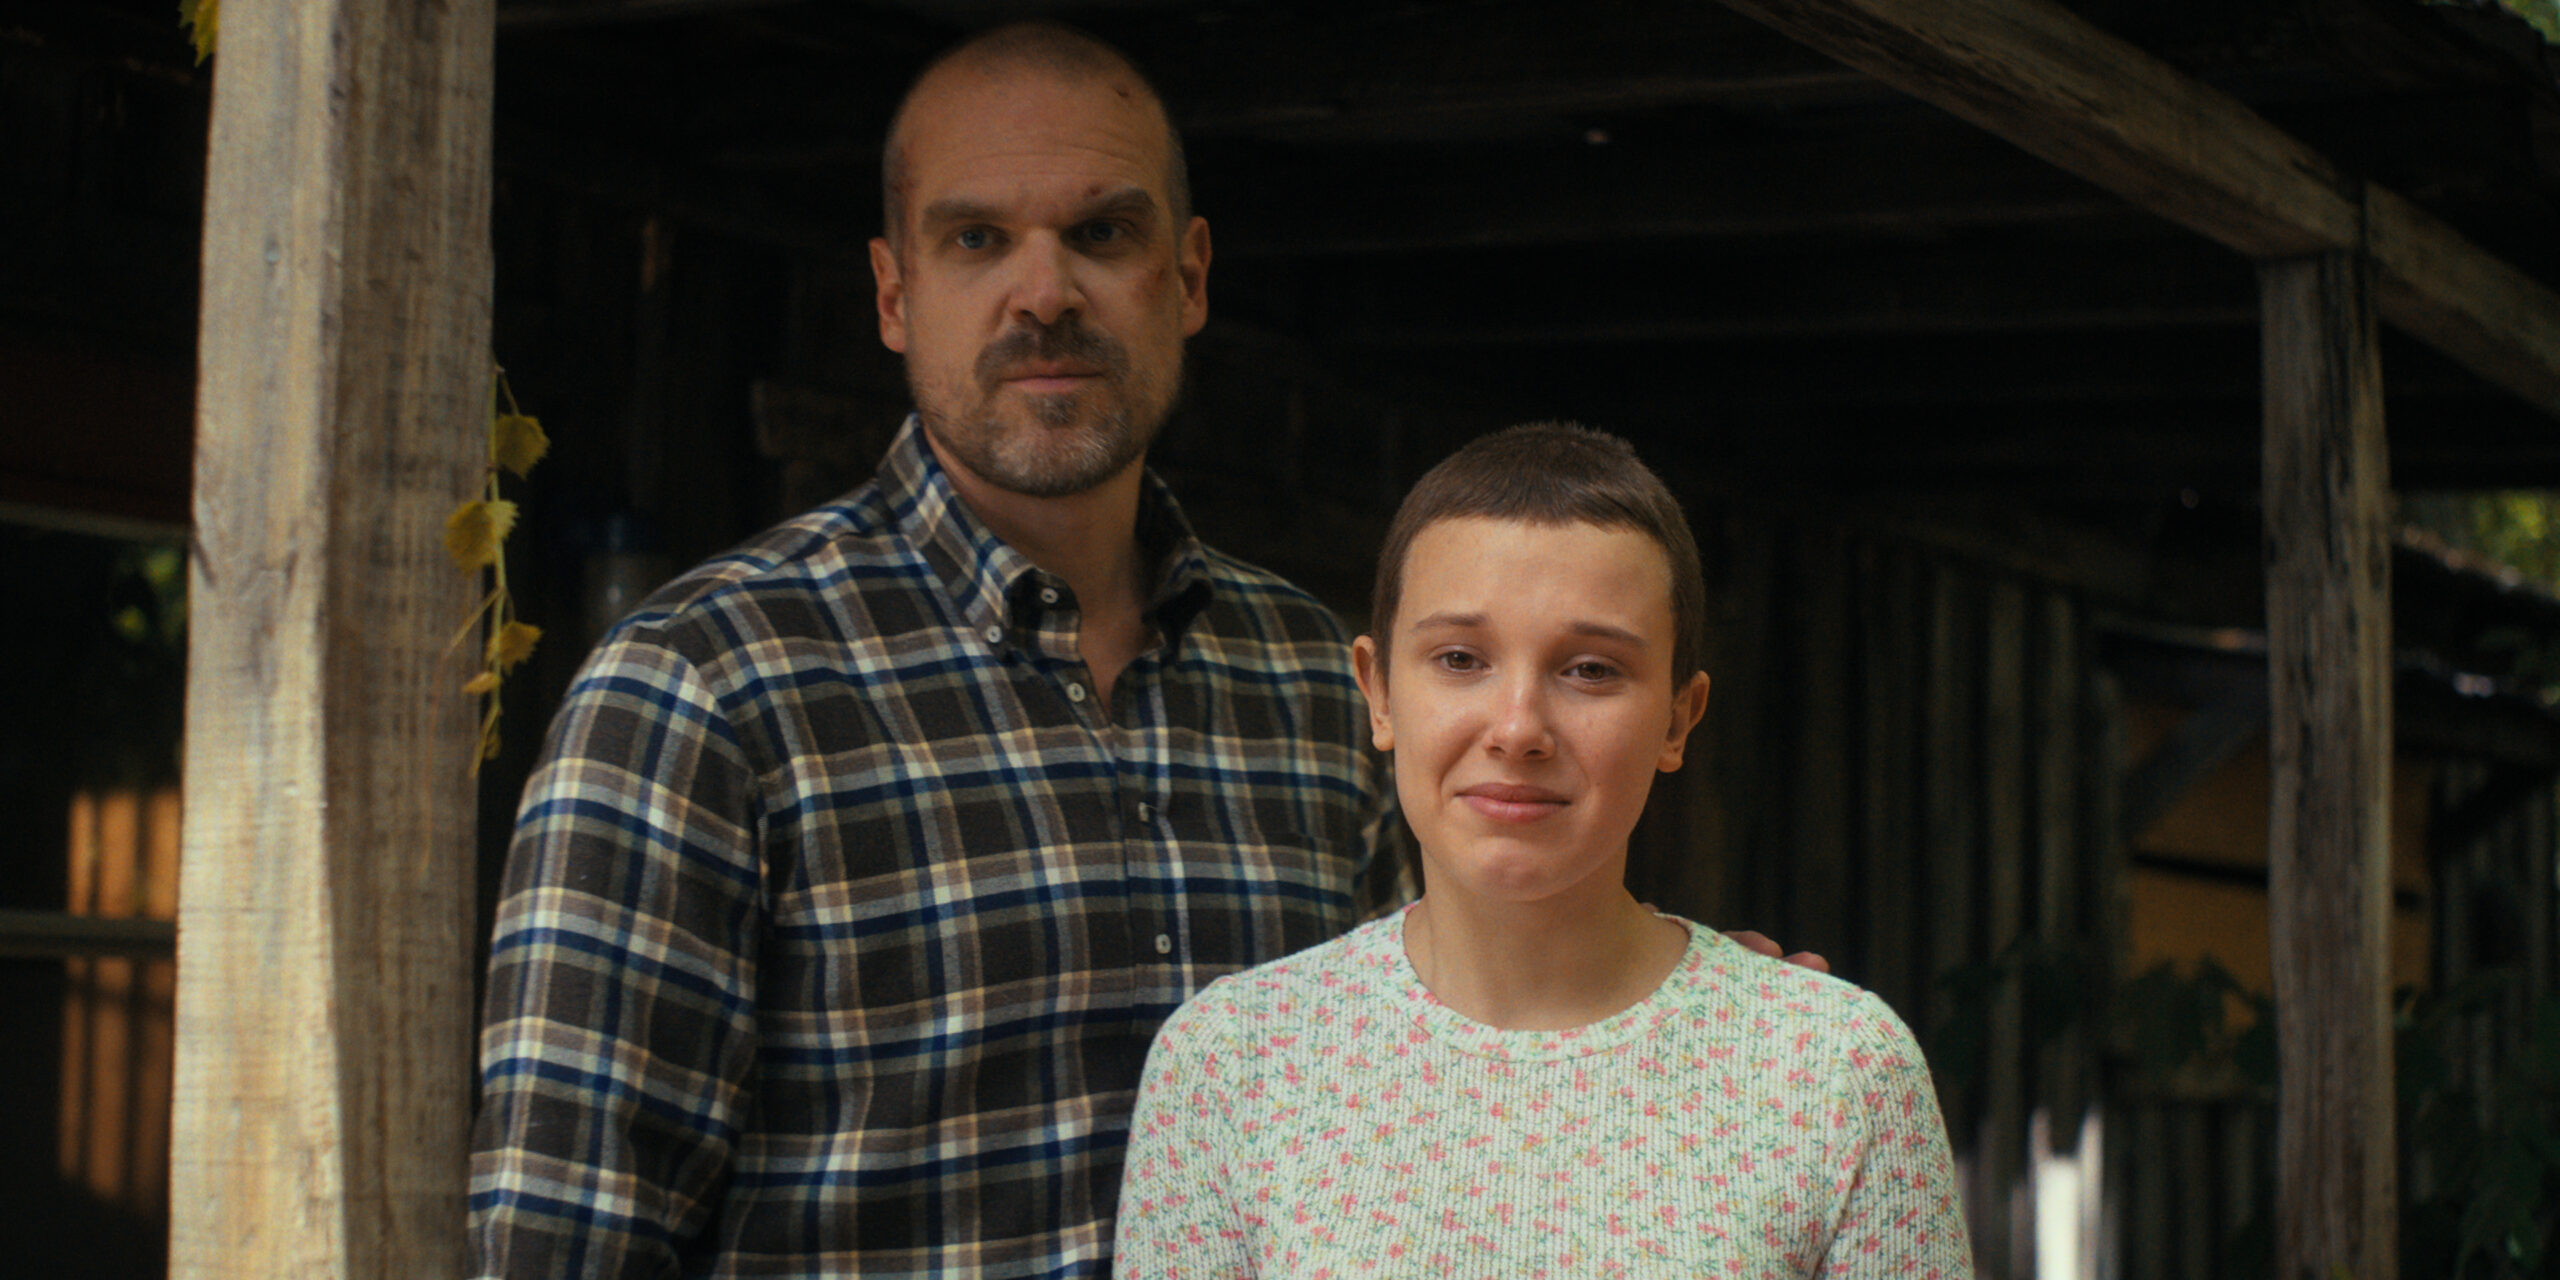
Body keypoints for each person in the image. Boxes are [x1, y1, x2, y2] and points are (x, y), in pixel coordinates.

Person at [469, 22, 1815, 1280]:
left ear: (1189, 277)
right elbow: (562, 1240)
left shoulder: (1311, 680)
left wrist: (1684, 1023)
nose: (1043, 294)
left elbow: (1461, 1060)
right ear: (893, 293)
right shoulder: (704, 684)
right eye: (976, 238)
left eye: (1101, 233)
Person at [1113, 423, 1973, 1279]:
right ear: (1379, 694)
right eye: (1460, 659)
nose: (1518, 727)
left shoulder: (1834, 1070)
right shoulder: (1232, 1066)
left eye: (1591, 670)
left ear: (1678, 718)